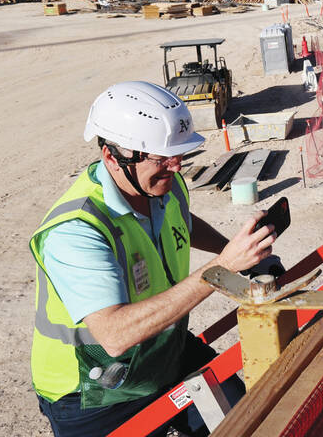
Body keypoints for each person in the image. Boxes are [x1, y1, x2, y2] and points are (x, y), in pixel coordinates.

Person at [30, 81, 279, 436]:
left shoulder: (162, 185)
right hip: (96, 392)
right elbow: (114, 335)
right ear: (112, 157)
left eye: (179, 156)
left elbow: (182, 221)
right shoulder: (75, 231)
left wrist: (241, 252)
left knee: (247, 422)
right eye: (161, 158)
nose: (175, 168)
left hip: (163, 351)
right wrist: (224, 265)